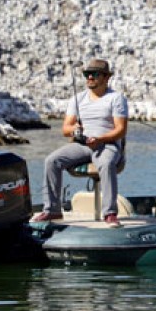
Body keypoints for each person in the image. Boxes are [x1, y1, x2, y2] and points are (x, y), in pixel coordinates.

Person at [32, 58, 129, 228]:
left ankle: (110, 213)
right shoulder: (78, 99)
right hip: (83, 145)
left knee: (105, 163)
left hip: (108, 144)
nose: (89, 78)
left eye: (94, 74)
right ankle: (52, 209)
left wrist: (100, 139)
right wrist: (74, 130)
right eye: (87, 74)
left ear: (106, 78)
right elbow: (65, 129)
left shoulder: (116, 98)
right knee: (52, 161)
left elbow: (121, 130)